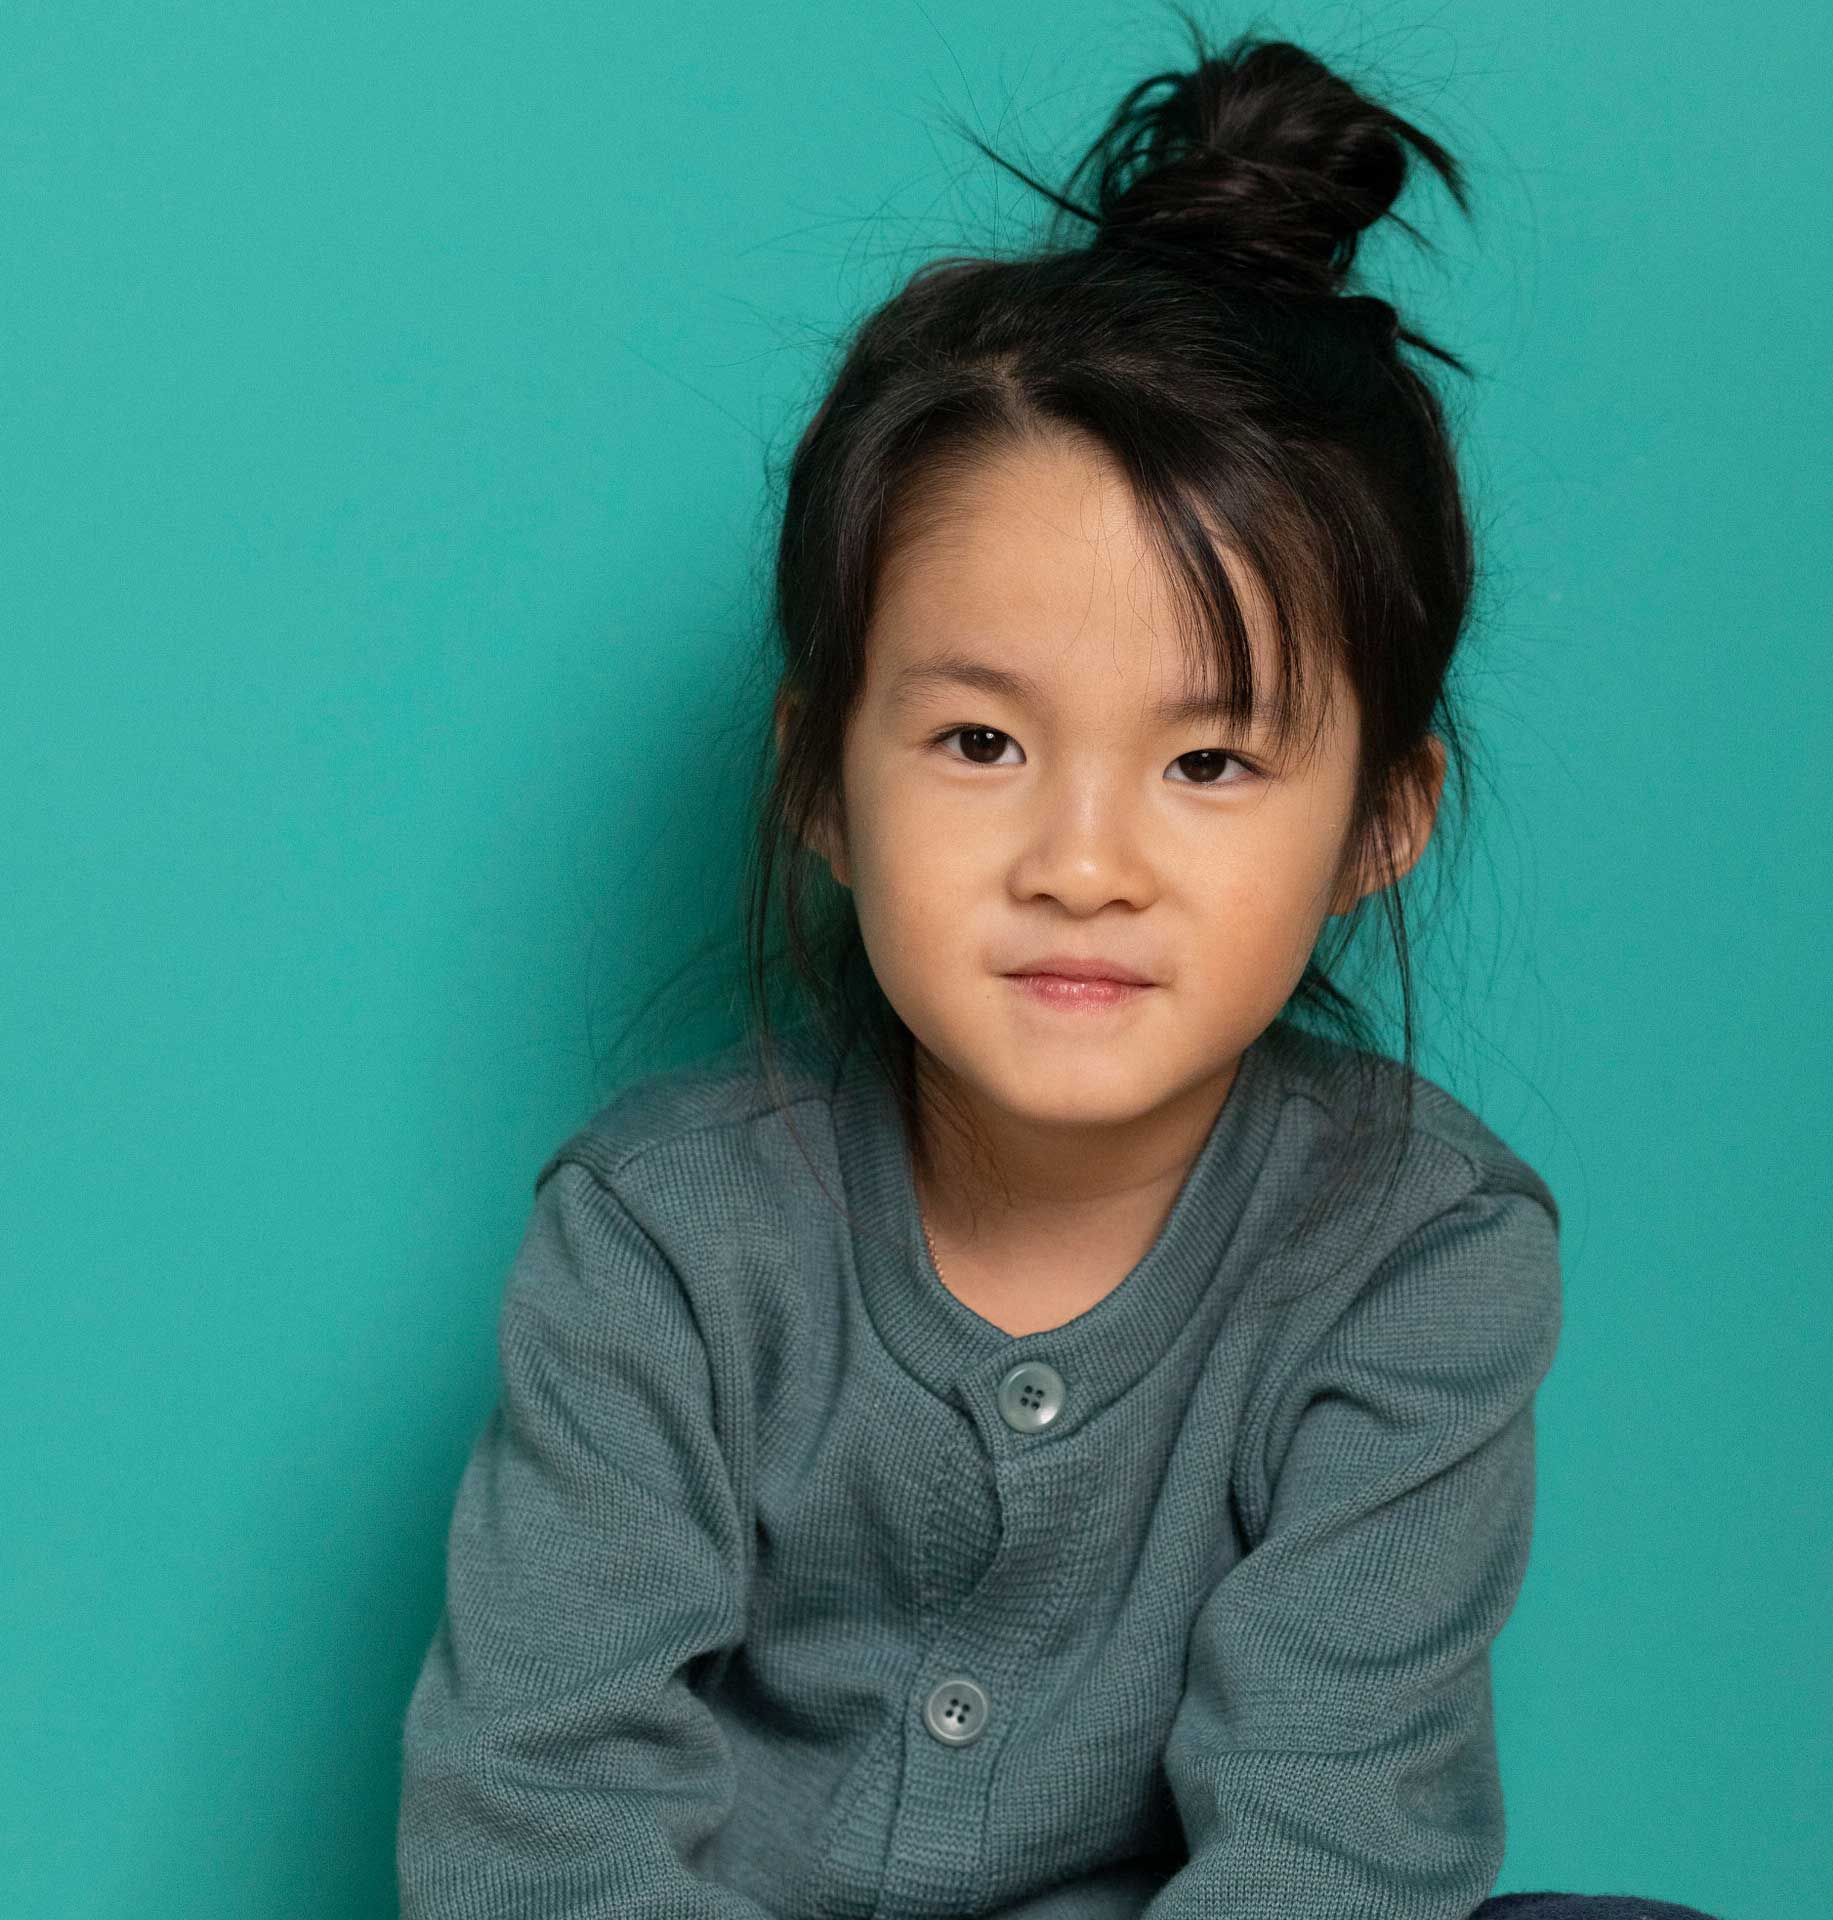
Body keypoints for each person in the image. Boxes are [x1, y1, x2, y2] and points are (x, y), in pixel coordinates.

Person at [395, 20, 1725, 1920]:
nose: (1082, 866)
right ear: (822, 785)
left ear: (1378, 821)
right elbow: (534, 1819)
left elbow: (1333, 1842)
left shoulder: (1423, 1251)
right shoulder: (665, 1240)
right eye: (980, 746)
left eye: (1208, 762)